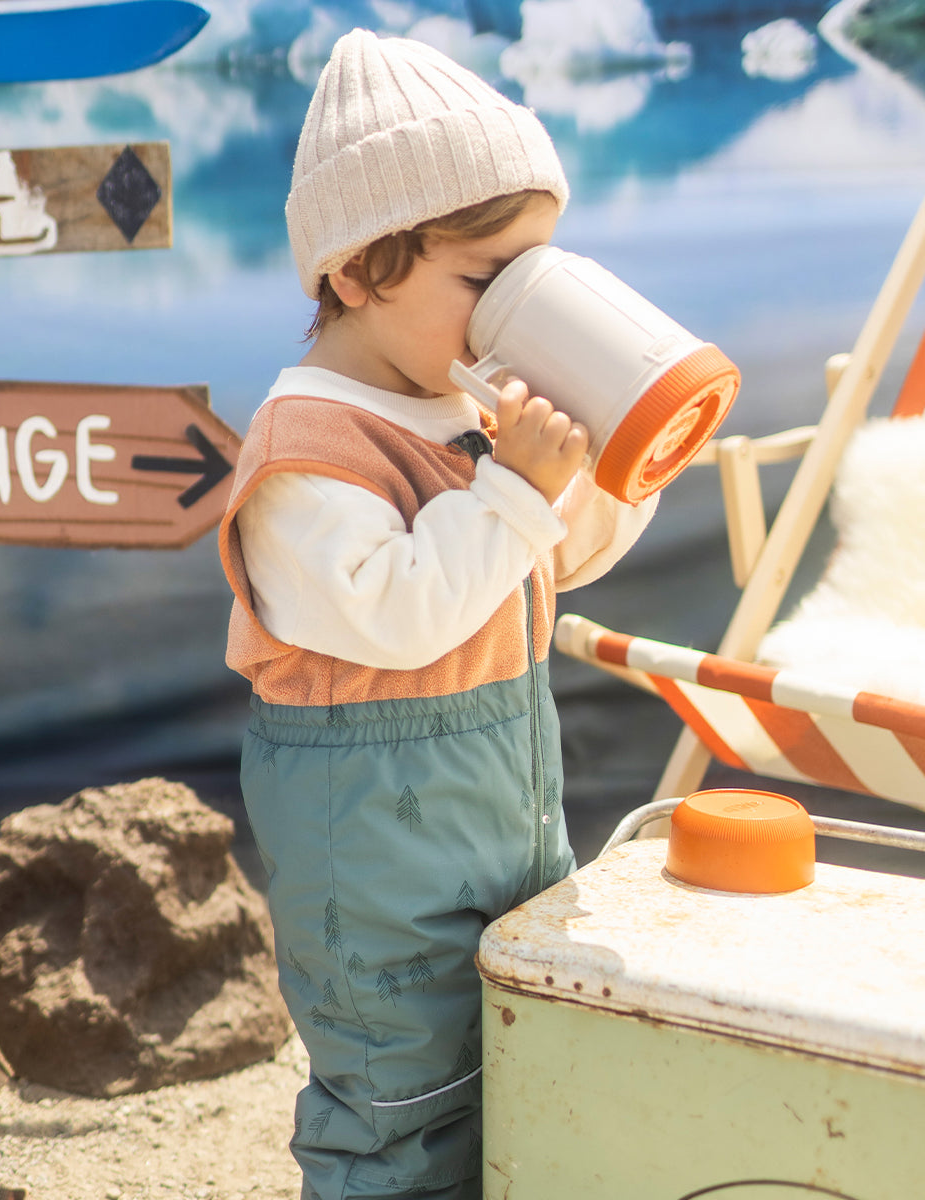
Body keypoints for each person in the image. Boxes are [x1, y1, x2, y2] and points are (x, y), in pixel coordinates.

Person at [218, 28, 658, 1200]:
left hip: (508, 805)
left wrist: (616, 468)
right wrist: (515, 484)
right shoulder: (304, 452)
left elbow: (552, 560)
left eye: (537, 275)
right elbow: (407, 611)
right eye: (486, 282)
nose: (512, 315)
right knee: (404, 1098)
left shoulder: (469, 404)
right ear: (358, 270)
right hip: (371, 849)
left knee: (522, 1048)